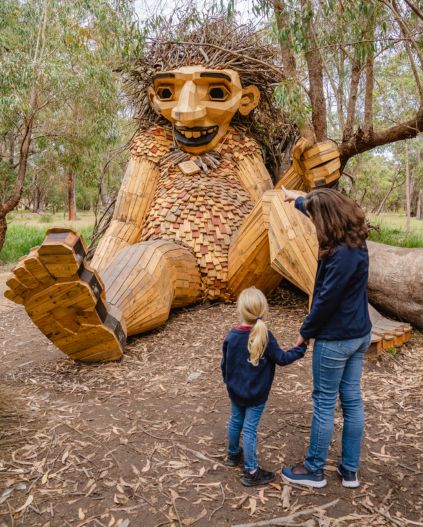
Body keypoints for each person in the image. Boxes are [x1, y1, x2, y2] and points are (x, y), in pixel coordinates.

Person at [281, 187, 372, 489]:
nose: (312, 223)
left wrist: (305, 333)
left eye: (314, 218)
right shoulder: (355, 239)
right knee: (352, 400)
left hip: (336, 339)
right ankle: (349, 471)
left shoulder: (340, 256)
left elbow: (325, 301)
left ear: (327, 220)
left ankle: (314, 469)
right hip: (359, 333)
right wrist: (295, 198)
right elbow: (315, 205)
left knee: (324, 402)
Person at [221, 286, 307, 486]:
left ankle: (233, 455)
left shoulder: (232, 336)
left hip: (236, 391)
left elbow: (225, 364)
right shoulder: (264, 335)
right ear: (263, 310)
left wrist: (229, 383)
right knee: (249, 429)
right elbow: (282, 358)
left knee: (235, 421)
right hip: (257, 394)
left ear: (240, 310)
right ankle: (251, 472)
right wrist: (301, 348)